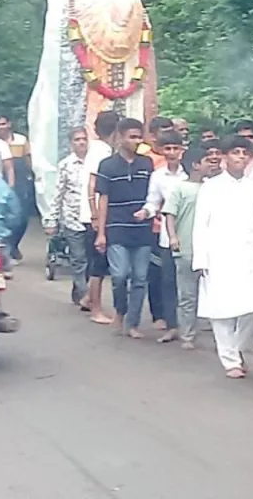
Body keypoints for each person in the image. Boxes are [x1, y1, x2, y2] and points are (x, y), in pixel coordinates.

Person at [193, 136, 253, 378]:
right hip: (217, 254)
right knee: (221, 310)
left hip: (247, 254)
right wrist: (201, 258)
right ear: (225, 156)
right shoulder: (210, 187)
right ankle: (230, 360)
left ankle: (237, 349)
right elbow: (200, 225)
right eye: (235, 152)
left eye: (245, 153)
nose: (240, 157)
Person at [94, 118, 155, 338]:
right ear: (120, 137)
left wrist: (149, 213)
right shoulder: (107, 165)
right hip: (116, 226)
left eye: (139, 137)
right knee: (119, 275)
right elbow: (103, 199)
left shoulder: (146, 164)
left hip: (142, 228)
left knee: (140, 277)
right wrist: (101, 233)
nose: (136, 141)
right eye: (132, 136)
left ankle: (133, 323)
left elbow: (154, 195)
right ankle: (120, 310)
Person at [162, 148, 214, 350]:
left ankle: (212, 328)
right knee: (187, 294)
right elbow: (169, 215)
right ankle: (187, 334)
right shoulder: (180, 188)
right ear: (195, 165)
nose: (211, 164)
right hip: (186, 249)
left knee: (210, 291)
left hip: (209, 250)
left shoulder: (212, 188)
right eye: (206, 161)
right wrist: (173, 237)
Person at [142, 131, 188, 343]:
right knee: (168, 281)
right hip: (167, 237)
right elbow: (153, 202)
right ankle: (172, 325)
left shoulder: (191, 173)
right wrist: (146, 212)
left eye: (175, 148)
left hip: (192, 235)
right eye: (167, 148)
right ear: (161, 150)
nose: (171, 153)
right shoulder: (158, 176)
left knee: (191, 283)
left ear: (182, 150)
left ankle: (190, 326)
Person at [43, 128, 91, 308]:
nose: (81, 142)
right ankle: (86, 296)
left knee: (90, 260)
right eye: (77, 139)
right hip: (72, 218)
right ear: (71, 143)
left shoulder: (95, 162)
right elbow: (58, 193)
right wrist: (51, 220)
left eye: (84, 139)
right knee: (78, 258)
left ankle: (79, 288)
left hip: (92, 218)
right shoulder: (66, 165)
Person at [84, 111, 120, 324]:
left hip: (94, 212)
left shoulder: (96, 149)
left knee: (97, 261)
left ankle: (89, 298)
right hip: (96, 214)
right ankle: (96, 309)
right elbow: (93, 185)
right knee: (99, 264)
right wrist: (96, 215)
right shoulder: (102, 152)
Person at [139, 116, 174, 330]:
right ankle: (158, 313)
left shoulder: (182, 162)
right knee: (156, 271)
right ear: (152, 136)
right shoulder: (144, 158)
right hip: (153, 223)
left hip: (178, 227)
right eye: (163, 131)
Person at [0, 115, 33, 261]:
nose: (1, 127)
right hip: (1, 180)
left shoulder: (21, 140)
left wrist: (32, 176)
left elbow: (29, 159)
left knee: (22, 218)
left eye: (3, 123)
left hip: (22, 181)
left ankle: (14, 244)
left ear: (9, 124)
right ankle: (7, 248)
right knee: (4, 216)